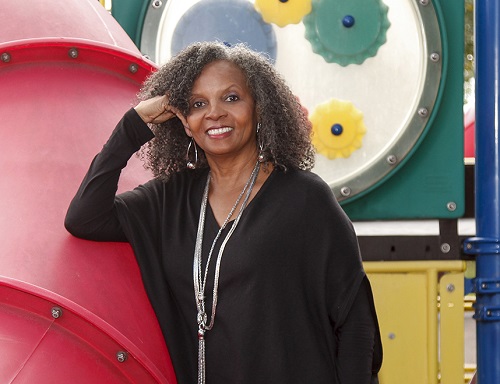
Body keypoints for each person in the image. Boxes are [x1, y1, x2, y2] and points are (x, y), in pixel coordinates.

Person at [65, 41, 382, 384]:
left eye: (231, 98)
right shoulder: (170, 199)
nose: (214, 113)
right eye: (197, 104)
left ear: (259, 108)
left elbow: (355, 320)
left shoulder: (304, 198)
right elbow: (85, 217)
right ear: (184, 121)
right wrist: (134, 123)